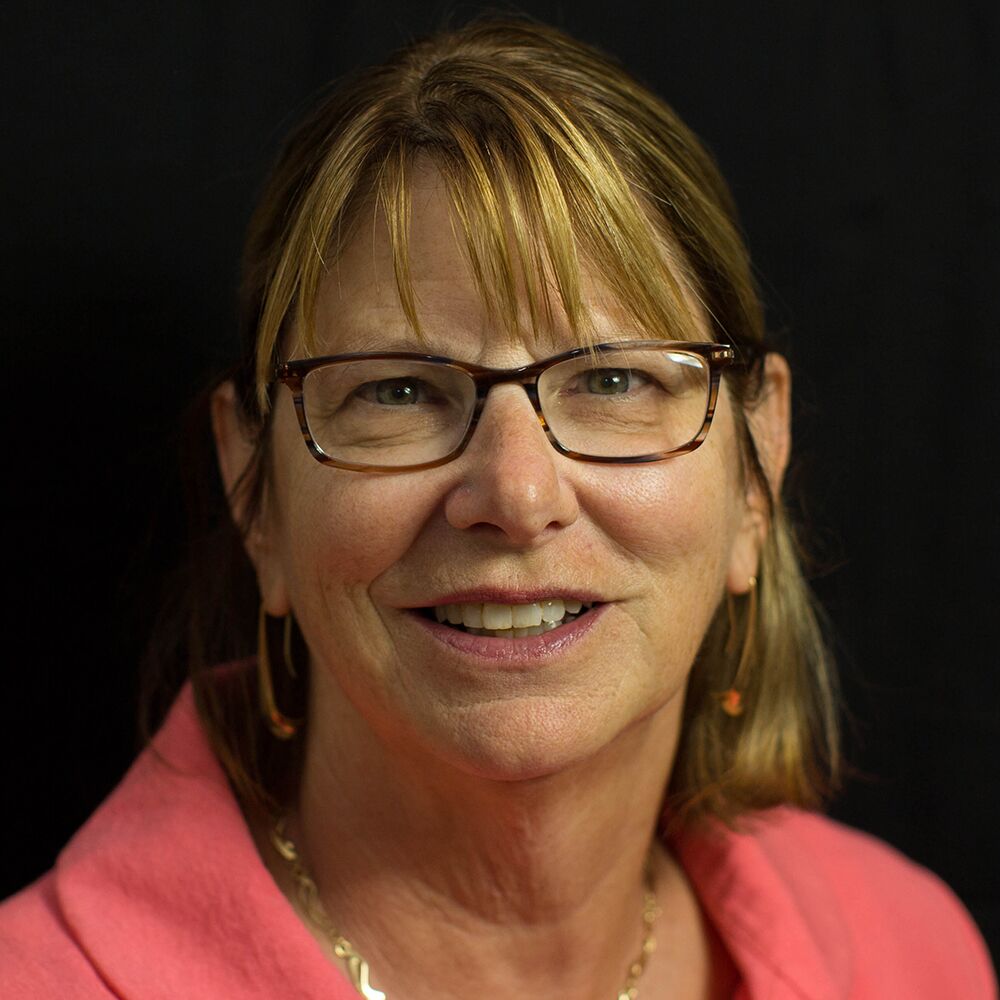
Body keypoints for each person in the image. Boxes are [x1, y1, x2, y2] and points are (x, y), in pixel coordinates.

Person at [1, 18, 995, 1000]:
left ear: (755, 471)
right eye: (397, 391)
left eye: (611, 381)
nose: (516, 497)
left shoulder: (910, 954)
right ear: (252, 487)